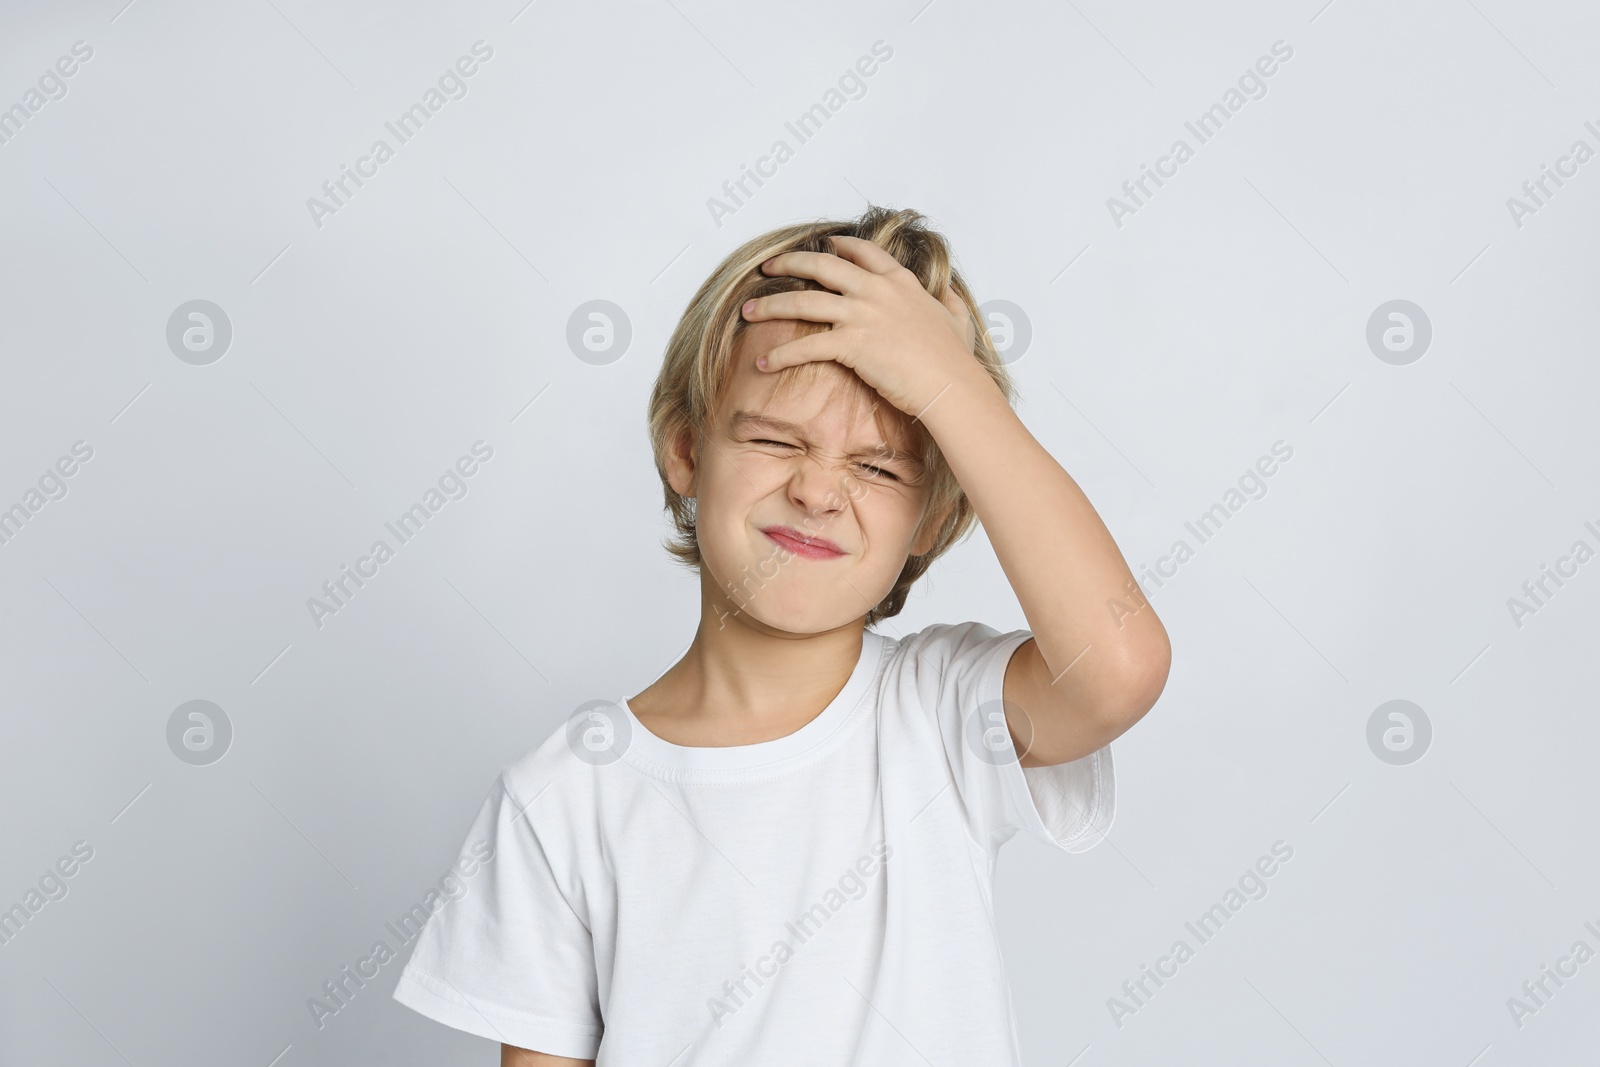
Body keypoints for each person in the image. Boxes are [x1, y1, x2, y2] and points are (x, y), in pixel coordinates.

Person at [391, 205, 1171, 1065]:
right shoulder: (565, 798)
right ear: (687, 451)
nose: (817, 490)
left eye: (876, 466)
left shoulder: (943, 715)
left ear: (933, 516)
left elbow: (1120, 667)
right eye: (773, 438)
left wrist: (950, 385)